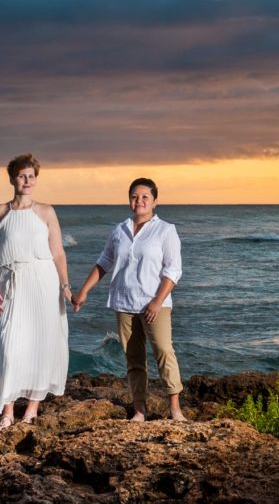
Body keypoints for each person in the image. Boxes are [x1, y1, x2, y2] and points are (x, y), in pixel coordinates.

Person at [73, 178, 186, 421]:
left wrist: (157, 301)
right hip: (124, 304)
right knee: (134, 360)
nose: (140, 201)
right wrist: (84, 291)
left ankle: (175, 409)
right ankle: (139, 410)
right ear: (129, 200)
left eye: (145, 196)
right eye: (135, 196)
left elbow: (173, 270)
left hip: (155, 305)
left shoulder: (166, 230)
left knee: (164, 352)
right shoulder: (119, 230)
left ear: (155, 201)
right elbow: (104, 262)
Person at [0, 153, 71, 430]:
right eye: (22, 176)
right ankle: (7, 410)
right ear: (12, 178)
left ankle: (31, 409)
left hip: (42, 283)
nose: (27, 181)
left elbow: (57, 253)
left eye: (31, 176)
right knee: (9, 345)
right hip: (9, 283)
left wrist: (66, 286)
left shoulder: (46, 211)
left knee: (41, 344)